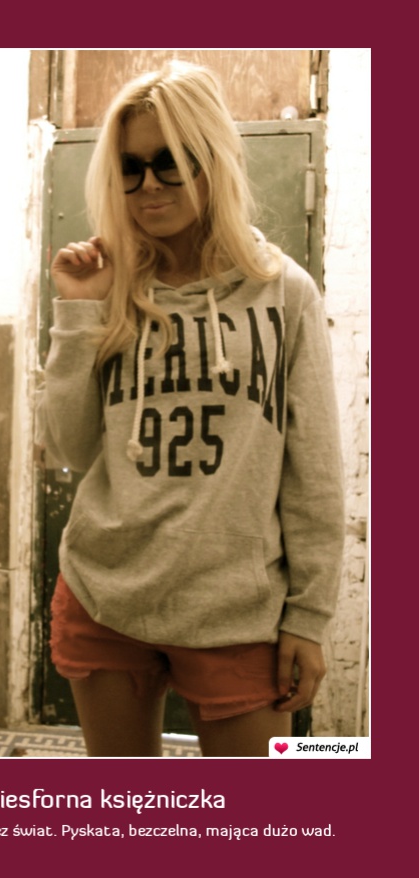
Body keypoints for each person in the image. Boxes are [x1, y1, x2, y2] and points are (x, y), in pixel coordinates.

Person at [37, 61, 345, 757]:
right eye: (130, 167)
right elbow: (70, 448)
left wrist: (309, 617)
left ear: (213, 160)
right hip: (104, 592)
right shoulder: (108, 285)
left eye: (171, 163)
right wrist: (77, 314)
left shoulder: (283, 293)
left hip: (236, 610)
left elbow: (316, 471)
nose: (148, 185)